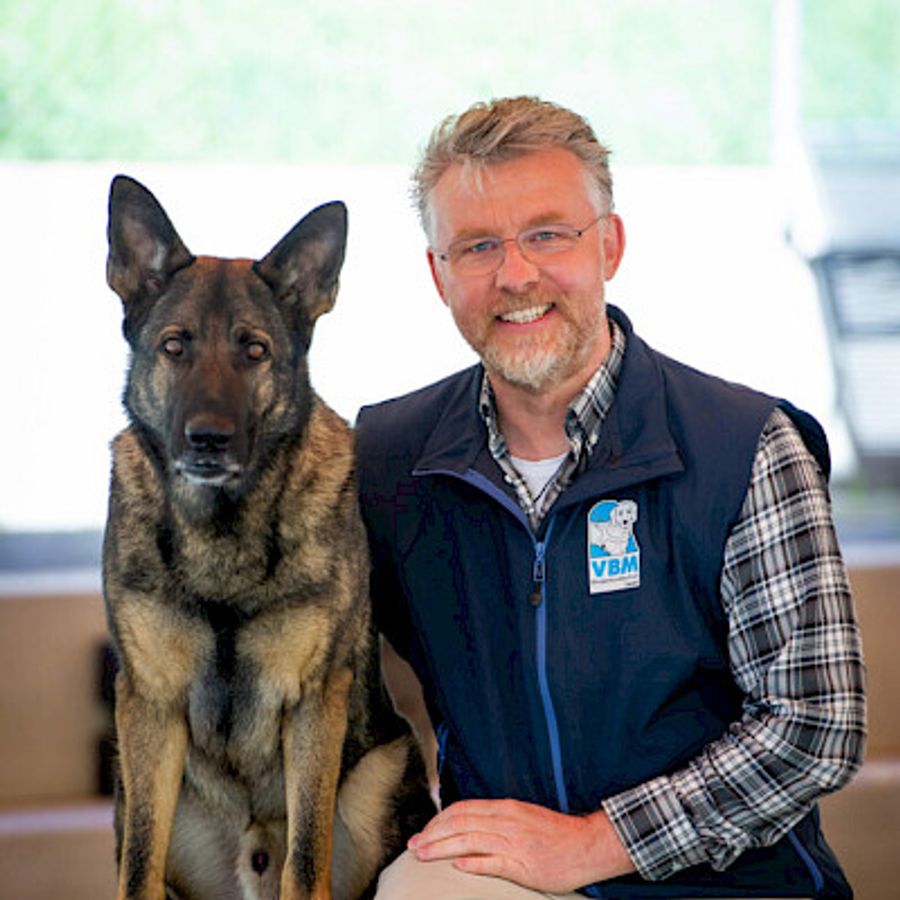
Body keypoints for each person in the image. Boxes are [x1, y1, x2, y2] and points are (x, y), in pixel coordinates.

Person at [356, 96, 866, 899]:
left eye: (547, 235)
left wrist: (597, 843)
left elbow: (814, 726)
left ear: (610, 245)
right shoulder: (388, 460)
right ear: (438, 274)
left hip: (732, 885)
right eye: (478, 246)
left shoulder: (746, 446)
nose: (515, 275)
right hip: (507, 875)